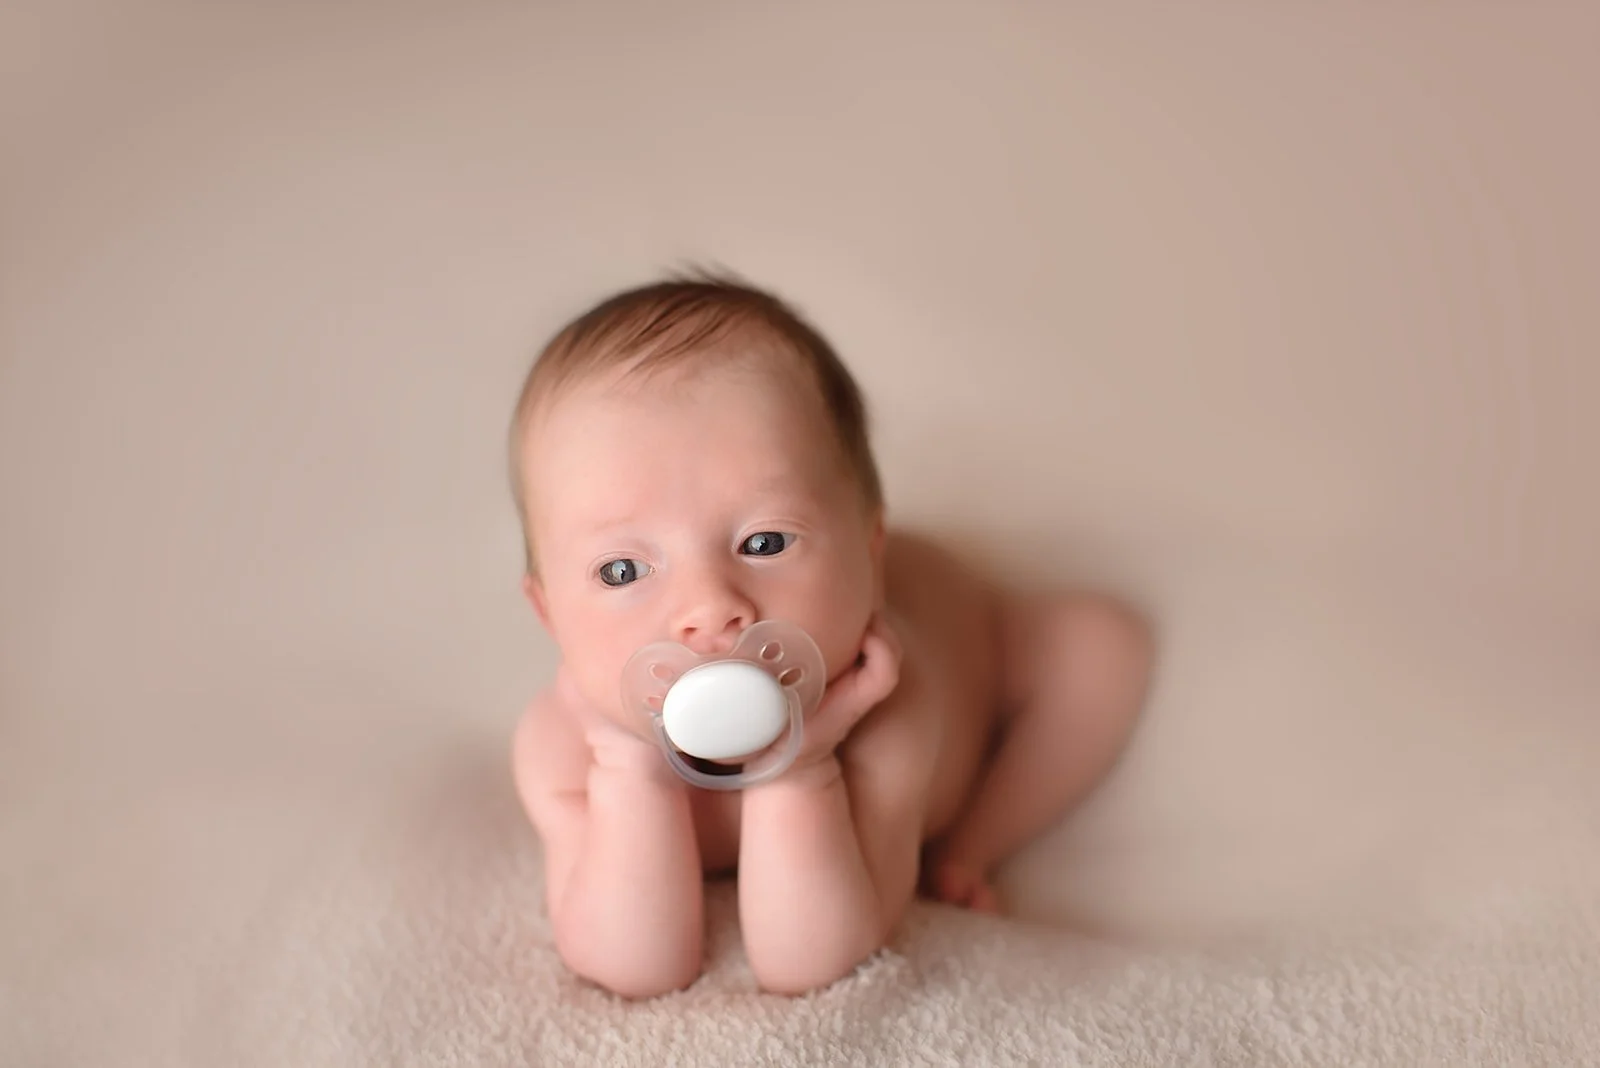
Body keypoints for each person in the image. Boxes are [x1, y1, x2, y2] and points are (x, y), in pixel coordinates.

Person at [506, 273, 1153, 998]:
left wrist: (802, 763)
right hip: (620, 749)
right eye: (622, 569)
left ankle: (977, 843)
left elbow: (806, 960)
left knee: (1102, 646)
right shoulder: (560, 748)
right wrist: (630, 770)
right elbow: (632, 966)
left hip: (980, 633)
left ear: (869, 552)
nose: (710, 609)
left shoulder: (889, 714)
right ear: (549, 615)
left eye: (766, 542)